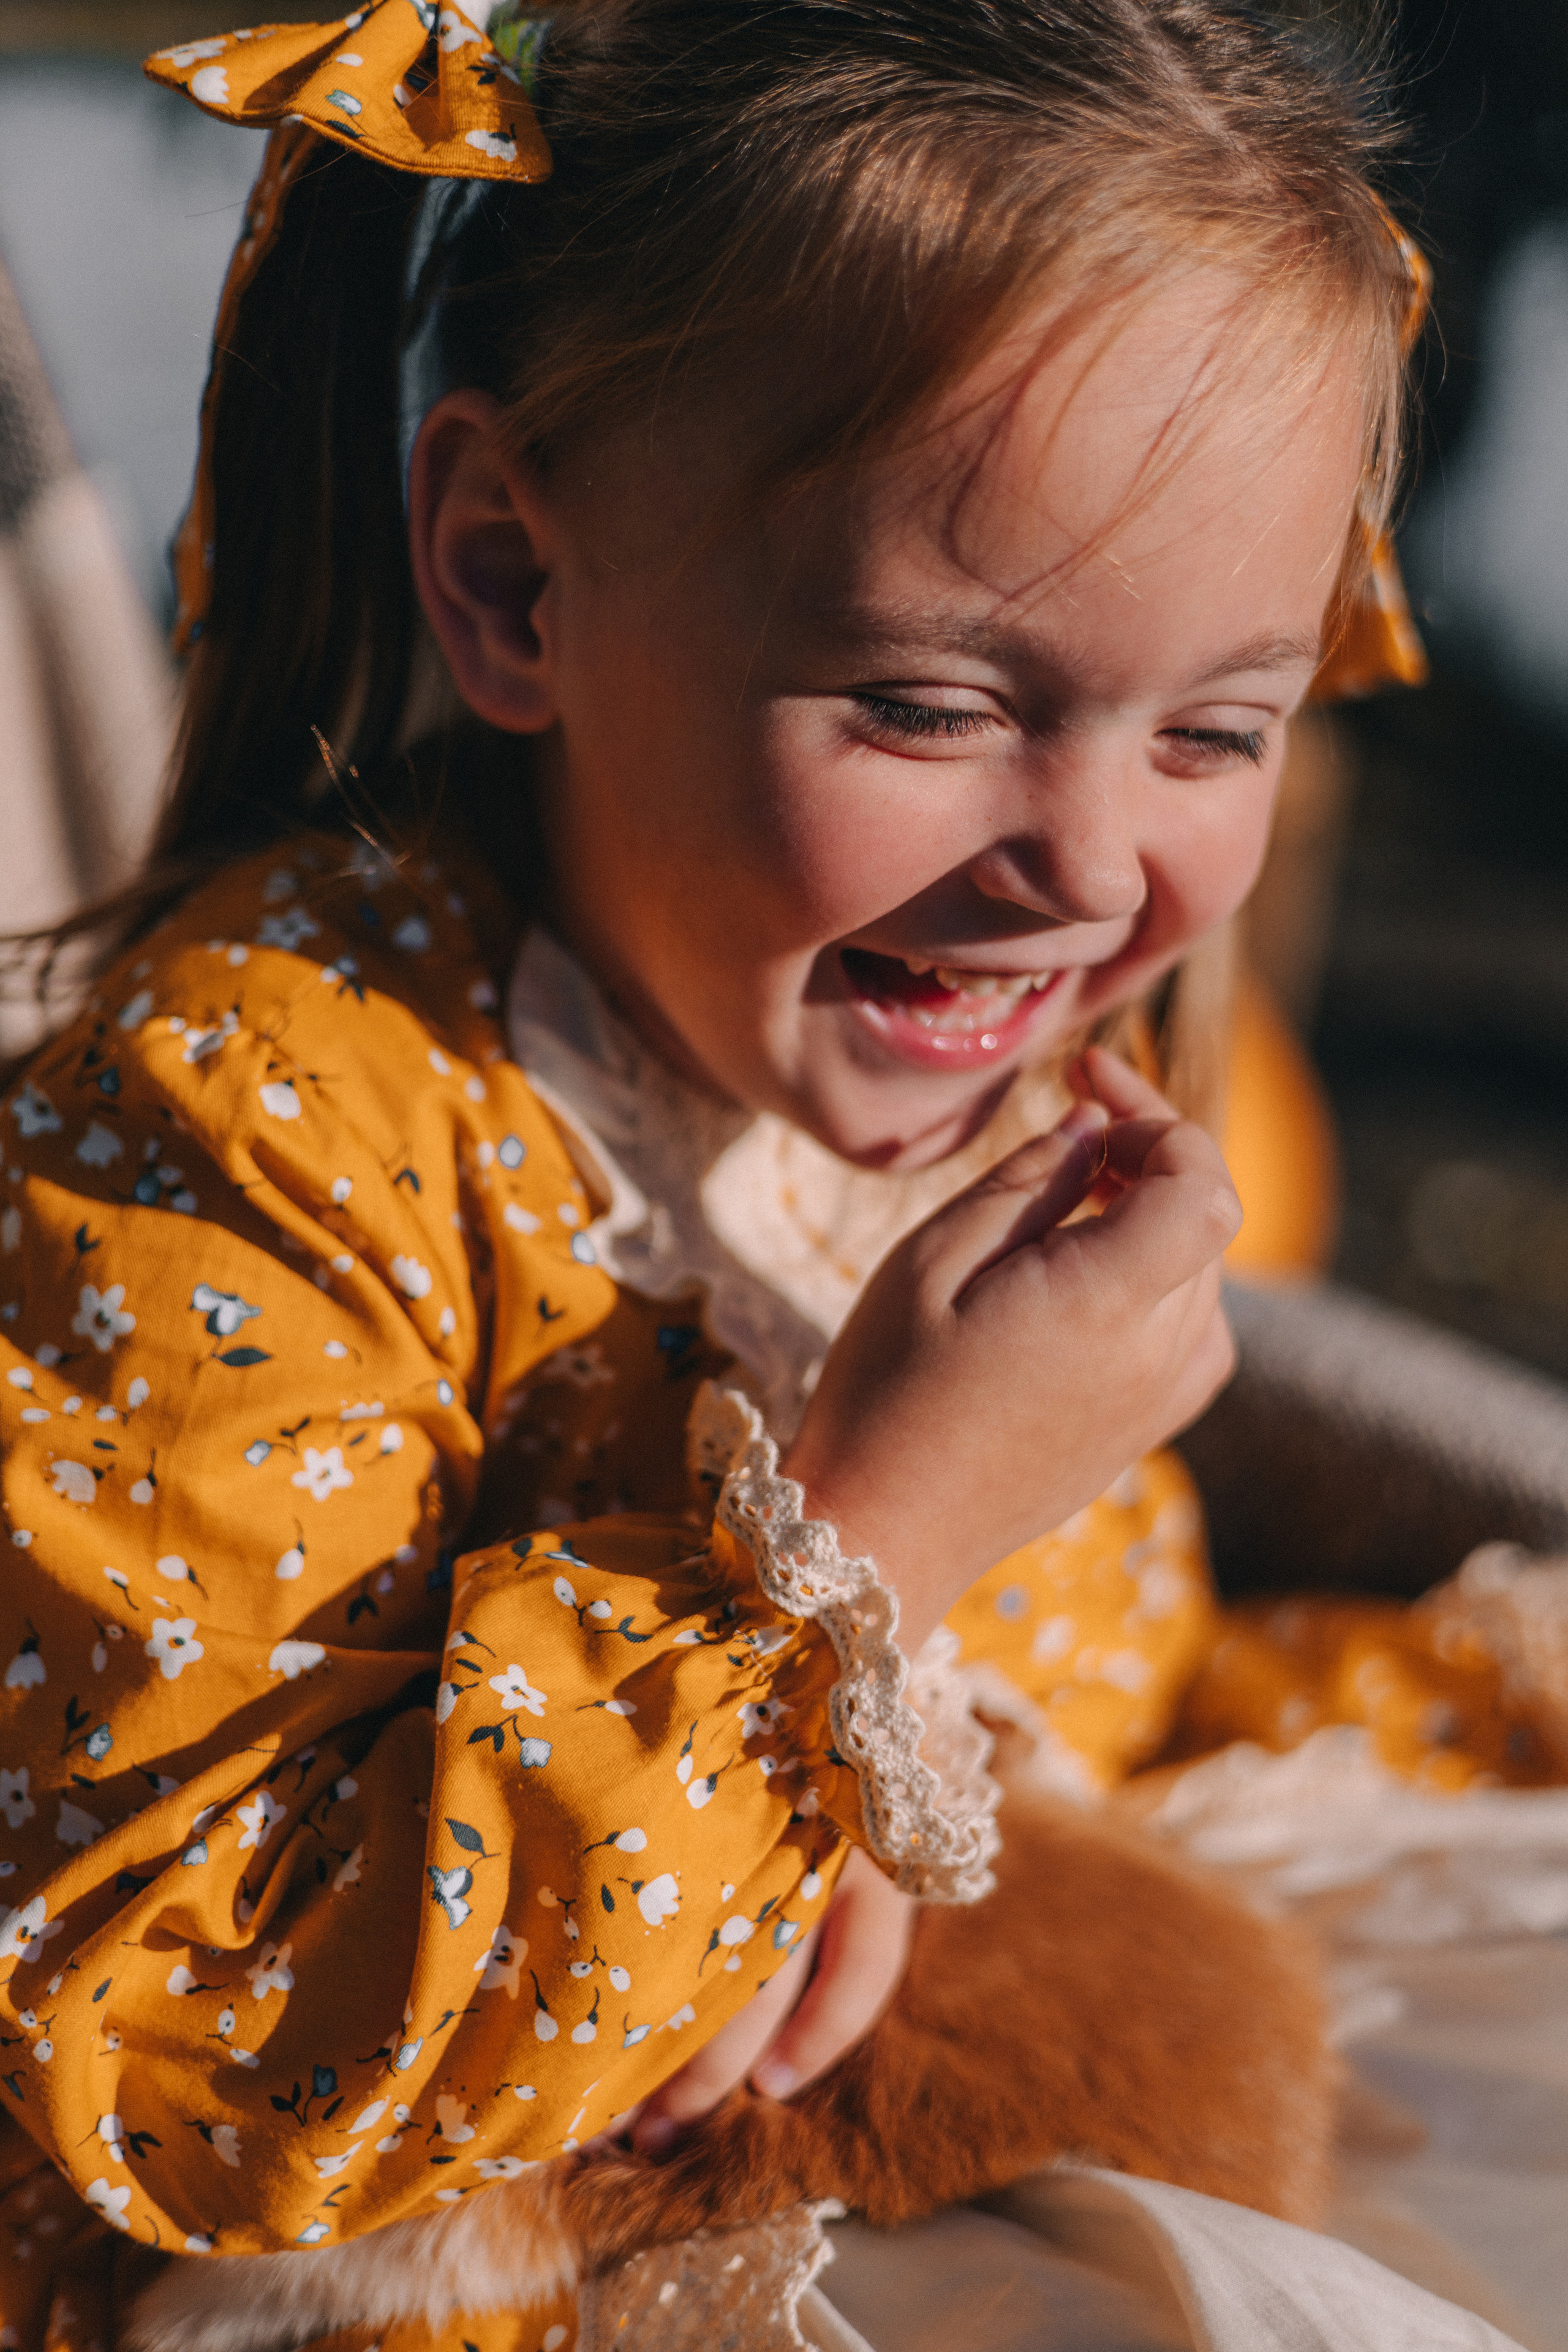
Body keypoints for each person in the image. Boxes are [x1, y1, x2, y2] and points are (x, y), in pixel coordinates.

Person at [0, 2, 1493, 2345]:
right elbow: (204, 2065)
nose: (1090, 871)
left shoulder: (979, 1062)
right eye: (928, 702)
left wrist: (986, 1685)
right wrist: (865, 1556)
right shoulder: (252, 1128)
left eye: (1217, 726)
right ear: (512, 582)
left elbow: (1112, 1673)